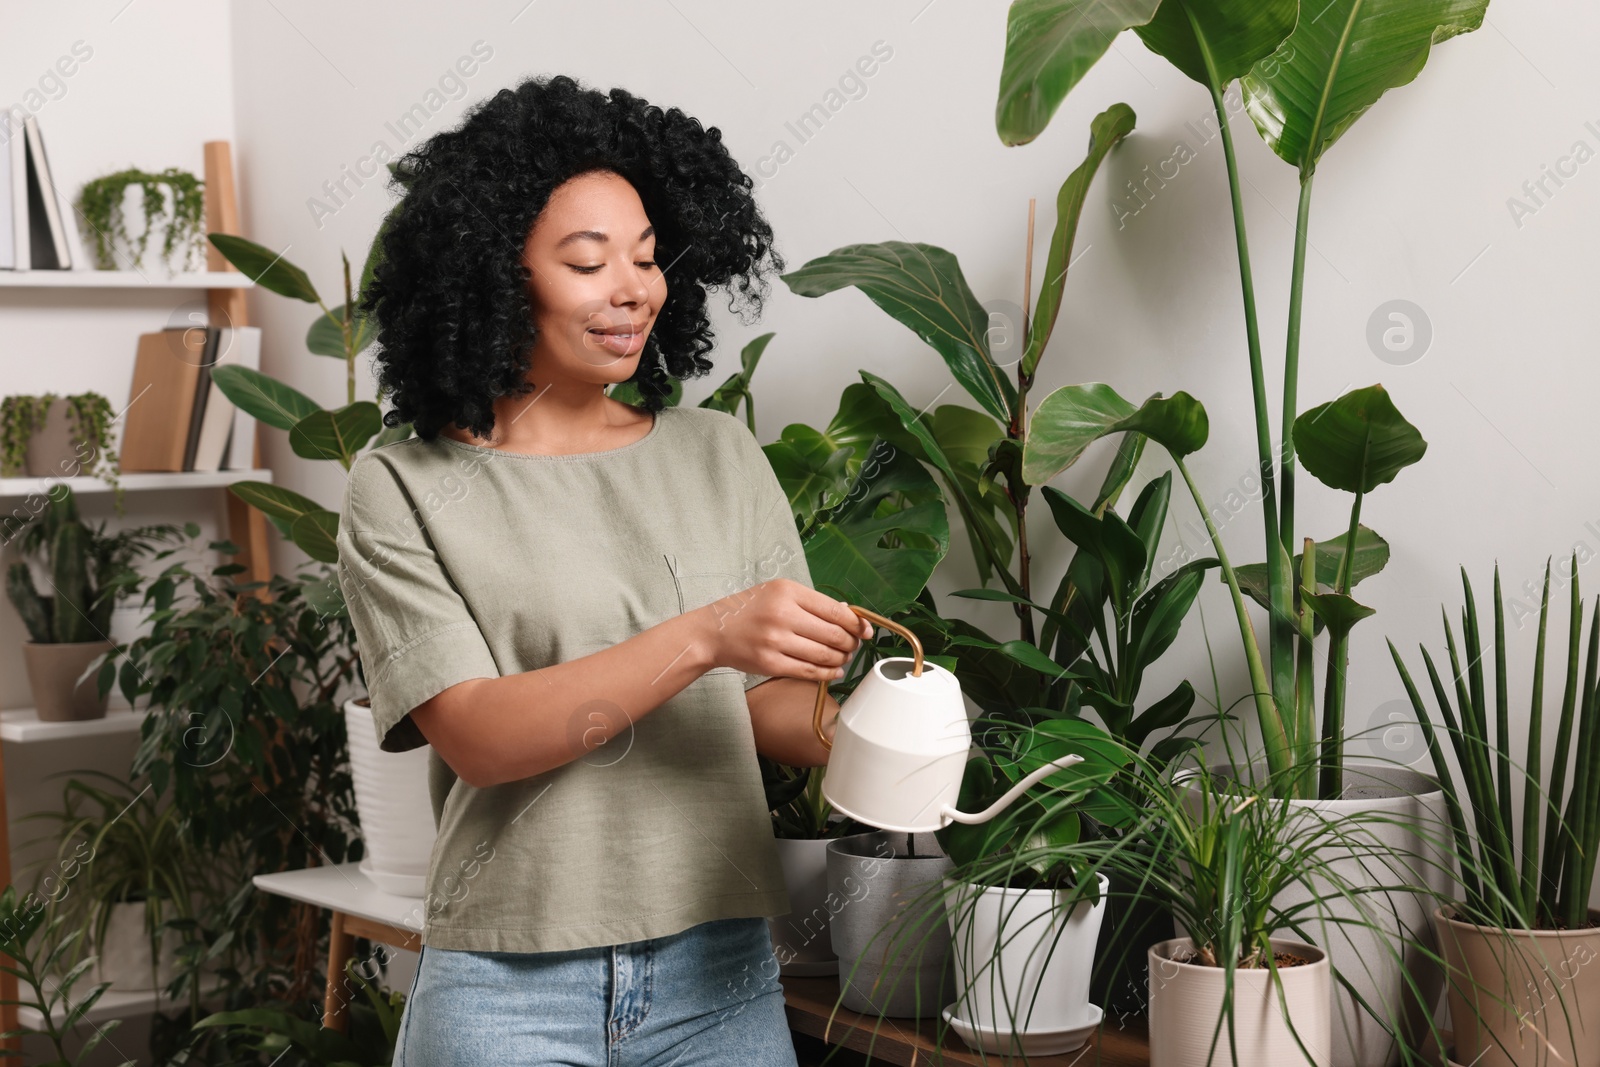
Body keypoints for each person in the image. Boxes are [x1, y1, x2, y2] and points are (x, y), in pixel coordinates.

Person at [338, 73, 873, 1066]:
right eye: (588, 262)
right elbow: (483, 736)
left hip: (718, 973)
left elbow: (765, 712)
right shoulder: (404, 485)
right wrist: (709, 632)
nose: (633, 288)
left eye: (647, 257)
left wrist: (890, 733)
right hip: (506, 984)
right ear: (496, 275)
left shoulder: (718, 455)